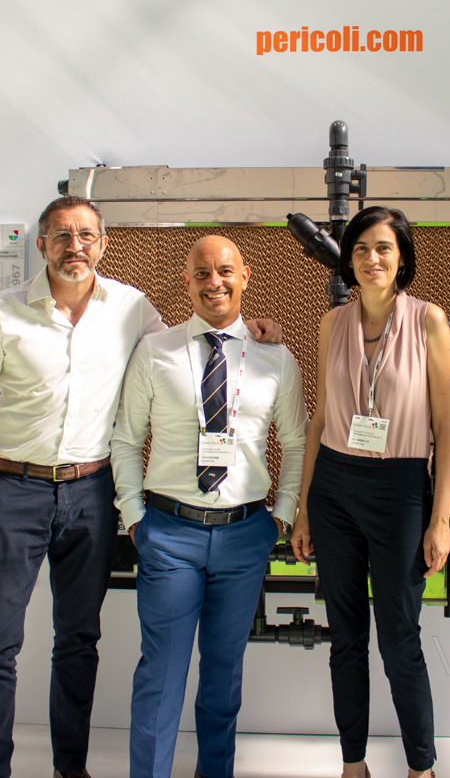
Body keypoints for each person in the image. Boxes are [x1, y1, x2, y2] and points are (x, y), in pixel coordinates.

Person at [0, 198, 278, 778]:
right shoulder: (2, 311)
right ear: (41, 245)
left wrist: (253, 331)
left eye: (86, 236)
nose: (75, 246)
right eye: (62, 236)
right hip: (12, 491)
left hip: (90, 494)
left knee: (77, 640)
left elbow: (192, 345)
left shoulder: (130, 308)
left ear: (102, 243)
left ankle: (70, 769)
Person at [110, 235, 307, 778]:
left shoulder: (275, 357)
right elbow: (126, 439)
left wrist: (282, 515)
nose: (214, 282)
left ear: (245, 276)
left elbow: (296, 443)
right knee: (161, 675)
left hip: (245, 535)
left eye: (224, 271)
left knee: (223, 676)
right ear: (186, 281)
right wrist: (135, 518)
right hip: (169, 532)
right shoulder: (156, 351)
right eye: (201, 273)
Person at [290, 206, 450, 778]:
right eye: (360, 248)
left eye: (383, 247)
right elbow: (320, 419)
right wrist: (304, 508)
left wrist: (440, 519)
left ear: (402, 257)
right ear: (349, 260)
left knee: (400, 638)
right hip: (334, 489)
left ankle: (421, 767)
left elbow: (448, 426)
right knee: (345, 638)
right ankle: (352, 763)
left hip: (401, 490)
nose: (371, 258)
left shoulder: (429, 321)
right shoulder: (331, 323)